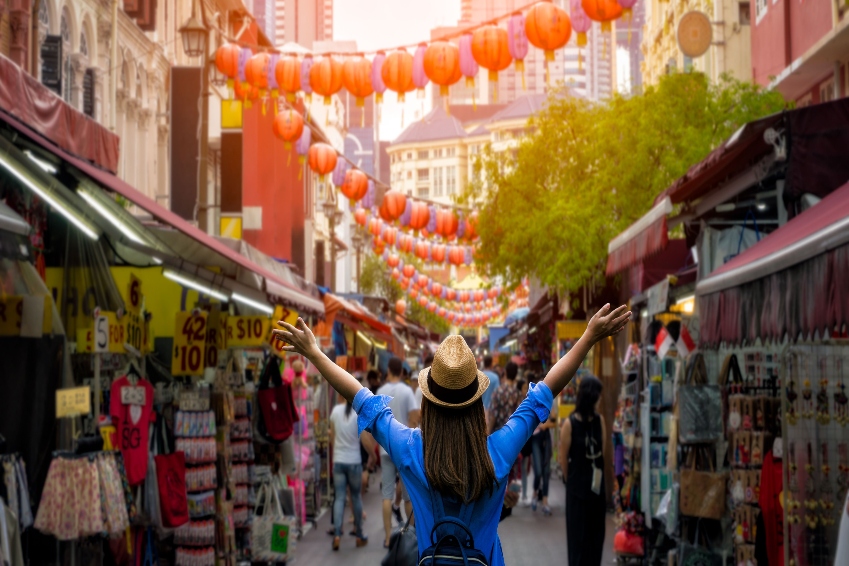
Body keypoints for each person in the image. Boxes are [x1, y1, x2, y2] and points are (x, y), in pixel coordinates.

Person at [273, 303, 629, 566]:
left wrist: (315, 355)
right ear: (477, 404)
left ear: (428, 402)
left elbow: (361, 398)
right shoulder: (499, 452)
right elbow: (545, 391)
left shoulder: (412, 450)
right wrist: (588, 337)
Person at [559, 375, 607, 566]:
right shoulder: (570, 424)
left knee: (596, 539)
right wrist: (569, 480)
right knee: (577, 540)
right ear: (591, 396)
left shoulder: (599, 421)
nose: (600, 399)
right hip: (577, 491)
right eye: (598, 396)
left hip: (597, 491)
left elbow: (602, 451)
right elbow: (563, 458)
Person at [376, 357, 418, 547]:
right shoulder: (407, 391)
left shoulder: (380, 392)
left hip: (385, 448)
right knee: (408, 495)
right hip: (403, 448)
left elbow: (374, 420)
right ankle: (413, 537)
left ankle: (386, 538)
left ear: (388, 371)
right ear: (401, 372)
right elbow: (414, 418)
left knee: (387, 494)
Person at [329, 393, 374, 550]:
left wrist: (338, 453)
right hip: (354, 462)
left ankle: (336, 534)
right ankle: (359, 535)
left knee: (340, 498)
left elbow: (332, 438)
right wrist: (373, 456)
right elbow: (365, 440)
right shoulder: (357, 414)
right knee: (355, 497)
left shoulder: (335, 412)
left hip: (339, 461)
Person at [529, 373, 556, 515]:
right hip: (535, 438)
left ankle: (544, 500)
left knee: (546, 471)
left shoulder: (552, 398)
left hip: (546, 438)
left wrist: (546, 425)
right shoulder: (532, 399)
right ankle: (534, 494)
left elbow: (555, 421)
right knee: (538, 470)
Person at [488, 361, 521, 434]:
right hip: (513, 432)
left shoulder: (498, 391)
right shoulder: (518, 393)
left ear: (505, 372)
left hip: (499, 433)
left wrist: (488, 431)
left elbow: (494, 414)